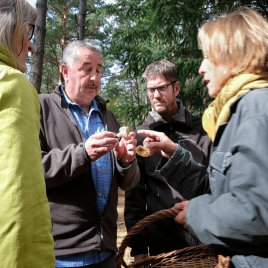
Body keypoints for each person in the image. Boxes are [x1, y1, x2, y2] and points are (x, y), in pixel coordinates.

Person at [137, 7, 268, 268]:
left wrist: (197, 213)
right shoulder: (238, 110)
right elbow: (221, 191)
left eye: (208, 57)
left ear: (233, 58)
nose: (200, 68)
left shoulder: (256, 109)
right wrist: (174, 154)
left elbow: (258, 213)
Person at [39, 40, 140, 268]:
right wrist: (83, 154)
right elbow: (32, 170)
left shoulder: (108, 117)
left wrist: (127, 162)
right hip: (61, 253)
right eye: (86, 70)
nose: (94, 78)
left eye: (98, 70)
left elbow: (130, 183)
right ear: (65, 71)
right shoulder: (42, 108)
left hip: (106, 252)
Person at [124, 59, 211, 261]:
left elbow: (215, 183)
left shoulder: (204, 130)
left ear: (176, 88)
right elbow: (135, 200)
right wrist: (138, 250)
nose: (155, 96)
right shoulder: (139, 138)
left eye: (161, 88)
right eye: (150, 90)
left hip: (206, 242)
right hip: (162, 248)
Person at [0, 0, 55, 267]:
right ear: (7, 28)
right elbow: (20, 196)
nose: (32, 45)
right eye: (29, 31)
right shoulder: (12, 84)